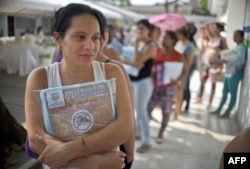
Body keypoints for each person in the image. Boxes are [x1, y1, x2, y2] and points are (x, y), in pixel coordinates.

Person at [25, 3, 133, 169]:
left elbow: (124, 127)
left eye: (95, 38)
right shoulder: (41, 78)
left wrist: (69, 151)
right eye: (80, 37)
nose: (90, 46)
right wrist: (94, 162)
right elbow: (35, 139)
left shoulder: (112, 73)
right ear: (58, 39)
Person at [94, 9, 135, 169]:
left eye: (93, 37)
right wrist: (130, 152)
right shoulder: (113, 67)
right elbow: (129, 116)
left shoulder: (55, 61)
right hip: (109, 150)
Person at [147, 31, 185, 143]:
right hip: (155, 86)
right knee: (148, 108)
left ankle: (161, 133)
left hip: (169, 88)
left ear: (173, 41)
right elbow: (151, 65)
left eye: (167, 38)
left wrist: (177, 80)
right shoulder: (157, 51)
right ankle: (144, 130)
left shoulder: (178, 55)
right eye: (163, 38)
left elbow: (185, 71)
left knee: (166, 111)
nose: (164, 40)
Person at [127, 19, 157, 153]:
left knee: (141, 111)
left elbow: (137, 61)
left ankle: (147, 141)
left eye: (142, 29)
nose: (139, 31)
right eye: (137, 28)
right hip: (133, 80)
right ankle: (138, 132)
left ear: (149, 31)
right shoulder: (139, 44)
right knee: (134, 110)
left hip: (143, 82)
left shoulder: (151, 46)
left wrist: (136, 45)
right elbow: (134, 63)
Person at [209, 30, 246, 118]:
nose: (235, 38)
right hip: (229, 72)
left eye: (237, 36)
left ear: (242, 37)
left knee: (233, 94)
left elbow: (241, 60)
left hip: (235, 73)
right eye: (234, 35)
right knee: (224, 92)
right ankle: (219, 109)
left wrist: (228, 61)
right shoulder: (237, 47)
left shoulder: (242, 48)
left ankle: (227, 112)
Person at [174, 27, 192, 118]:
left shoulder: (188, 45)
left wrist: (185, 74)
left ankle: (178, 109)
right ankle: (176, 108)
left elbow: (188, 61)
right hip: (175, 69)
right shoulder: (178, 43)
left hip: (183, 70)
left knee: (181, 90)